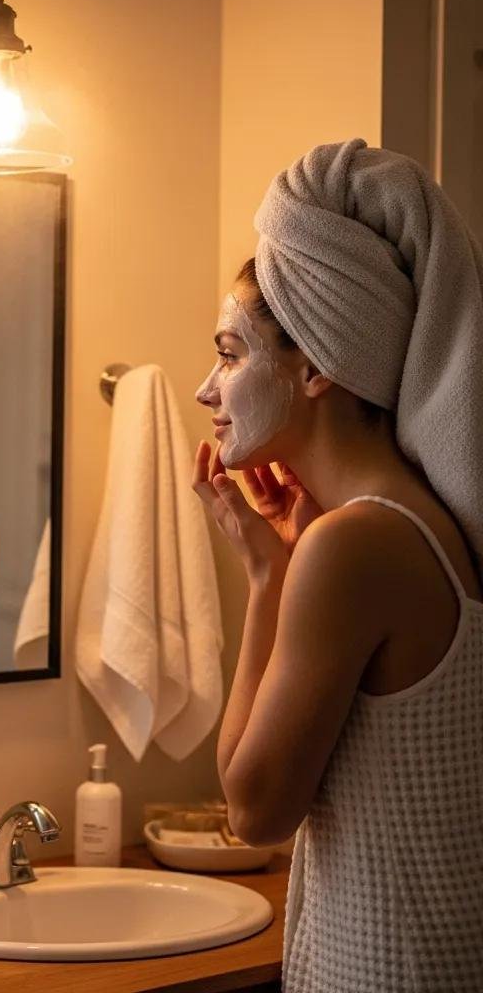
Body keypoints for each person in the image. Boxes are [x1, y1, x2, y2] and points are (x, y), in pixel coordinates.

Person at [192, 139, 483, 991]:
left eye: (231, 352)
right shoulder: (422, 525)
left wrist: (264, 578)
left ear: (318, 363)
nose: (209, 389)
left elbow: (252, 810)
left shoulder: (351, 547)